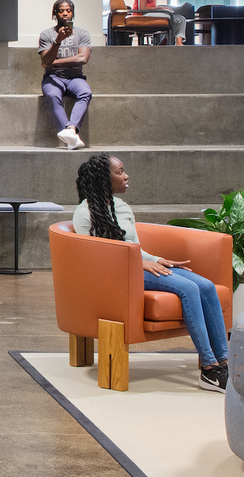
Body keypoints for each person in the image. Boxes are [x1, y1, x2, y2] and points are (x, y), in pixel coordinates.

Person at [74, 153, 230, 390]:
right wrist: (138, 264)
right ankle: (209, 369)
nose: (126, 176)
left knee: (206, 286)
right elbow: (97, 257)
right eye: (119, 172)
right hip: (120, 276)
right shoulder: (84, 213)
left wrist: (158, 260)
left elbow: (137, 248)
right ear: (103, 179)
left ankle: (225, 363)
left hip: (140, 266)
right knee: (188, 289)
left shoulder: (122, 207)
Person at [38, 0, 92, 149]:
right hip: (53, 78)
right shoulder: (47, 35)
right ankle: (72, 137)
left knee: (85, 92)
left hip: (75, 77)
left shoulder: (82, 33)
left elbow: (83, 58)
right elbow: (45, 61)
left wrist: (54, 62)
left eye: (68, 11)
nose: (65, 14)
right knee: (53, 95)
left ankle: (70, 129)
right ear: (55, 14)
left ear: (72, 13)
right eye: (61, 11)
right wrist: (57, 41)